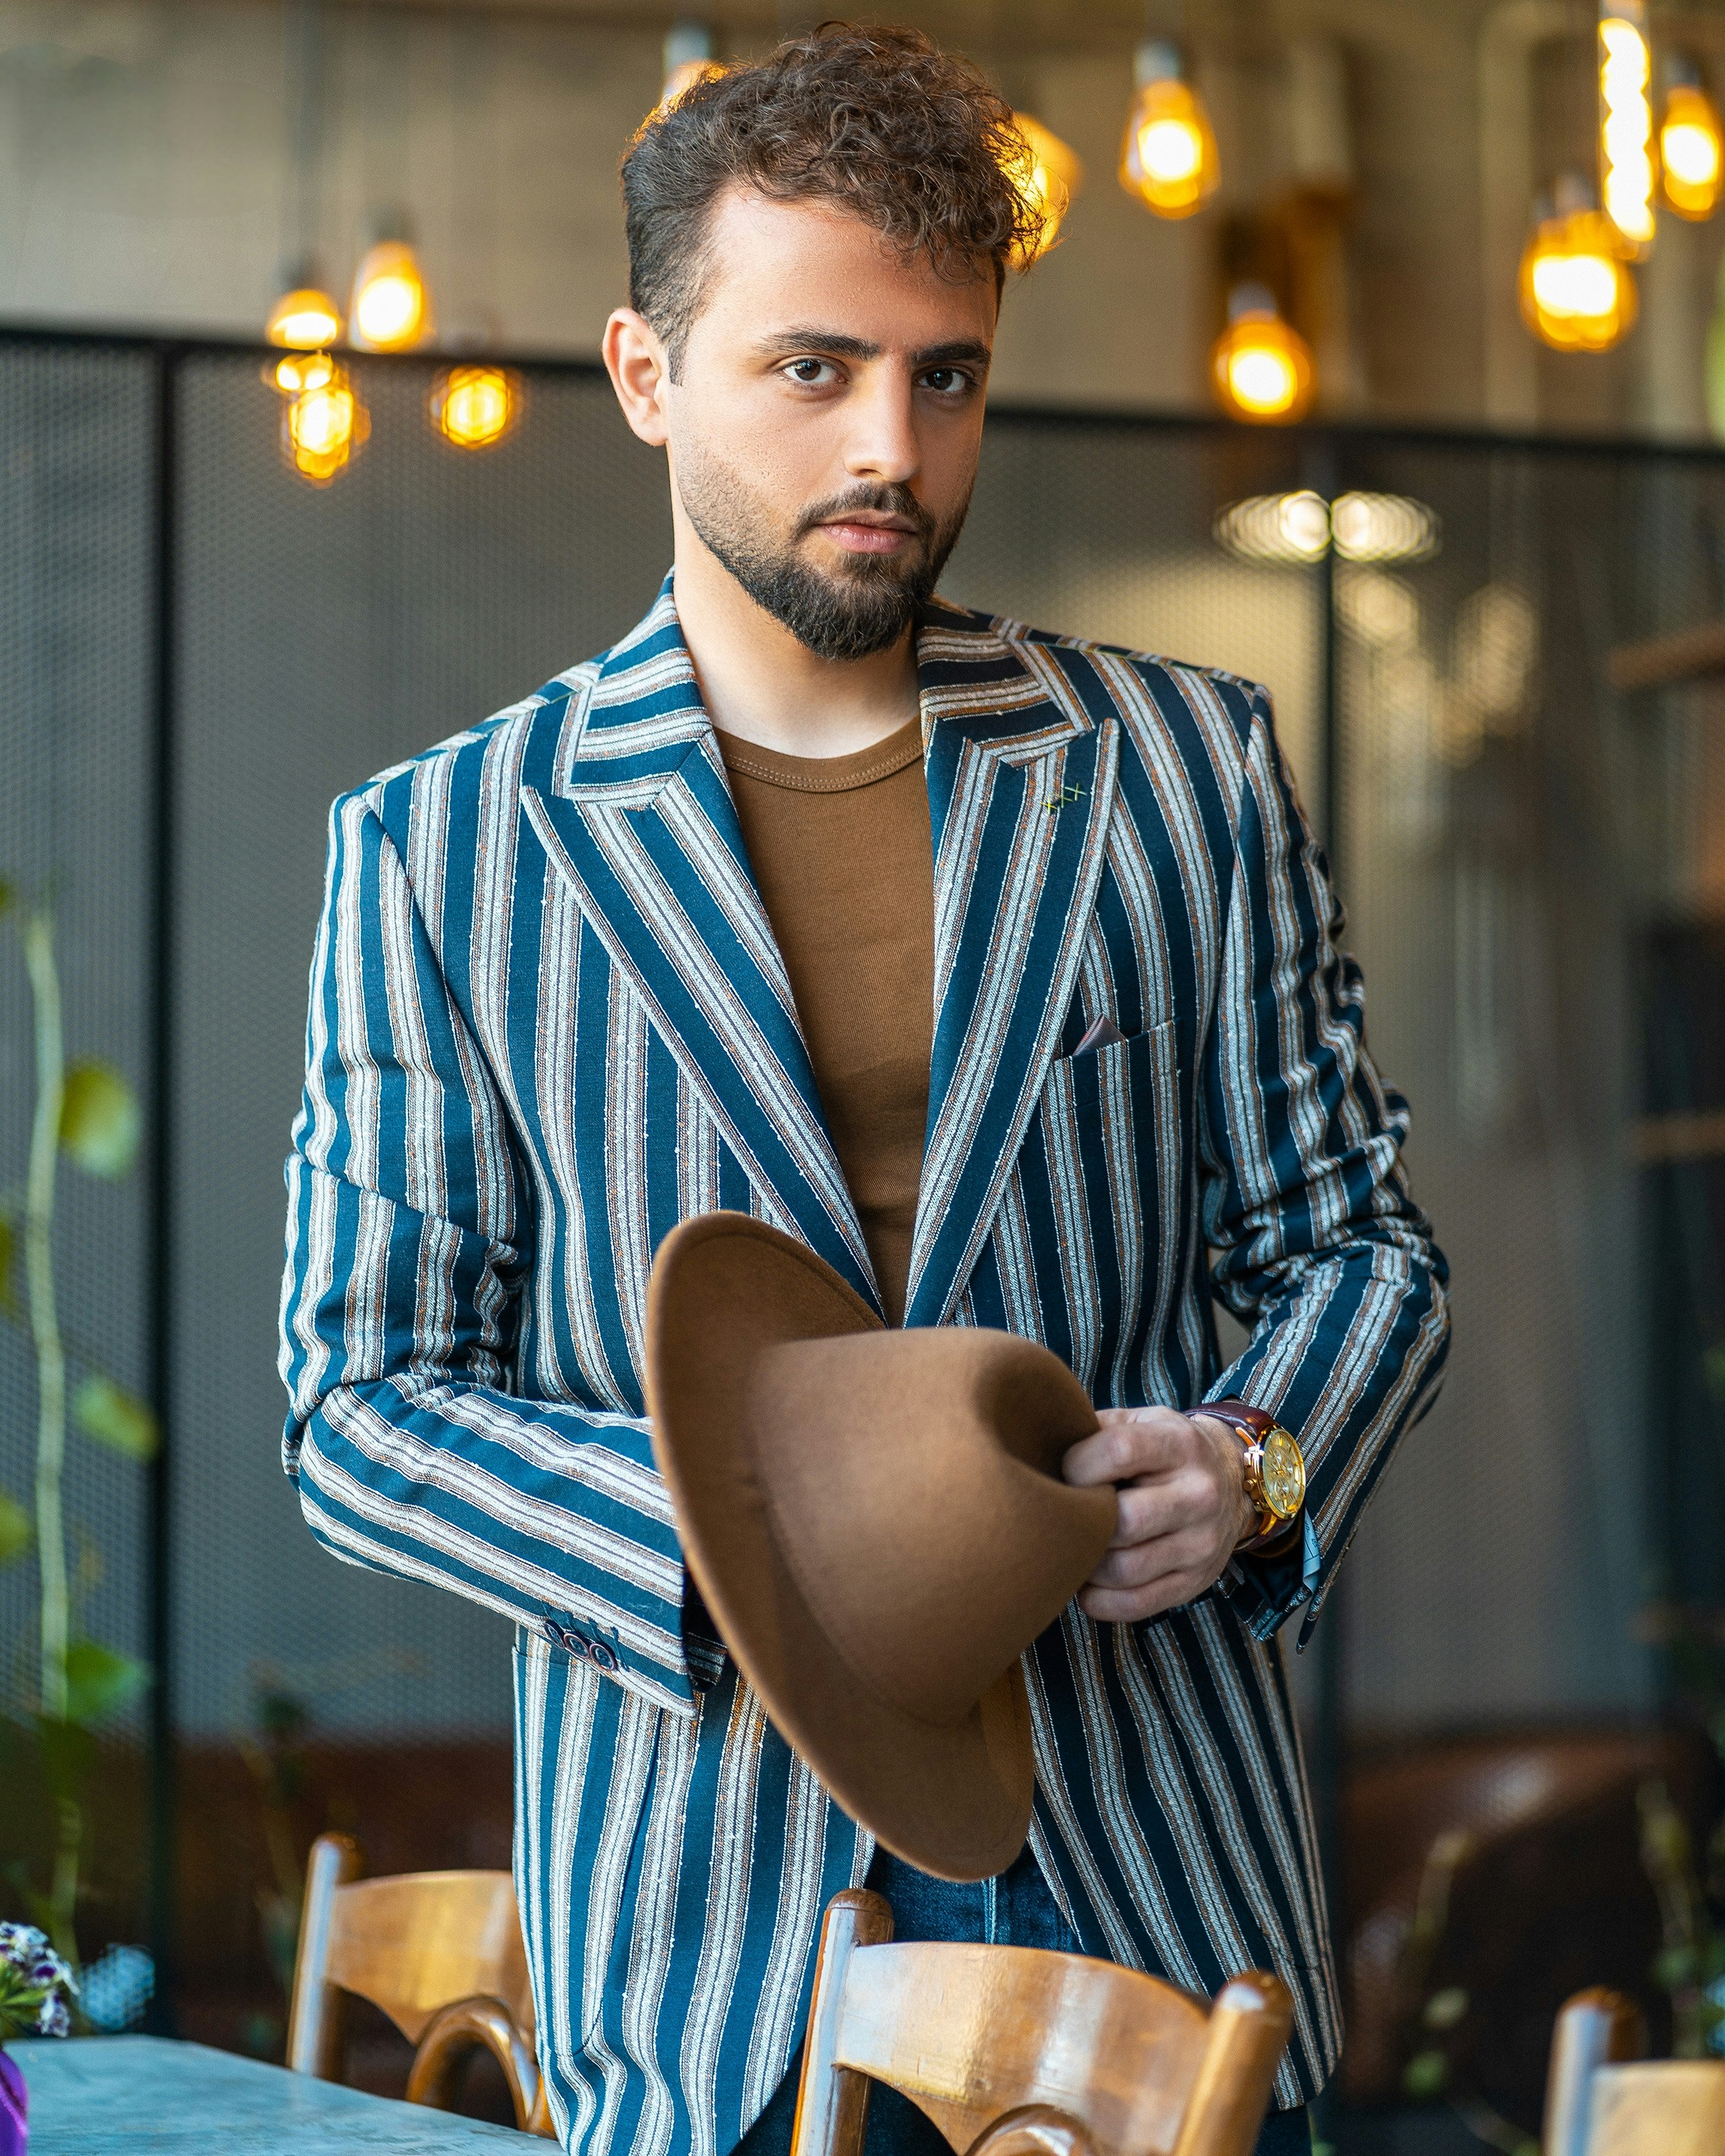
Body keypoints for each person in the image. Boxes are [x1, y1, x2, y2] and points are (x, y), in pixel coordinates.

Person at [278, 24, 1448, 2156]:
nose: (890, 445)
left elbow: (1362, 1247)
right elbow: (359, 1402)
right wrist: (766, 1550)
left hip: (1154, 1911)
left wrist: (1263, 1461)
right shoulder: (446, 850)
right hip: (708, 1966)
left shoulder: (1180, 768)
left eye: (946, 375)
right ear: (647, 375)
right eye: (810, 370)